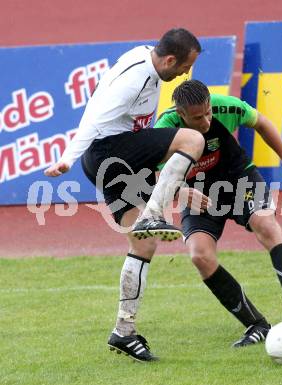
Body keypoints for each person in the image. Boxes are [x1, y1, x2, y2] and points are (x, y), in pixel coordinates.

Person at [44, 29, 207, 362]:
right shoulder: (134, 80)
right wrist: (67, 158)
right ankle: (153, 215)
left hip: (116, 154)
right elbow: (93, 117)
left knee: (143, 244)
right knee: (192, 140)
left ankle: (124, 331)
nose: (185, 75)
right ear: (170, 59)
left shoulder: (148, 55)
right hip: (109, 151)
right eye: (185, 67)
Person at [154, 79, 282, 348]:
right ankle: (257, 324)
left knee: (265, 224)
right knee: (199, 255)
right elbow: (153, 172)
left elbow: (262, 123)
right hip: (197, 192)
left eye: (208, 113)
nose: (205, 121)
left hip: (239, 179)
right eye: (196, 117)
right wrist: (179, 192)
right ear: (180, 114)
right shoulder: (164, 129)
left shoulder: (228, 107)